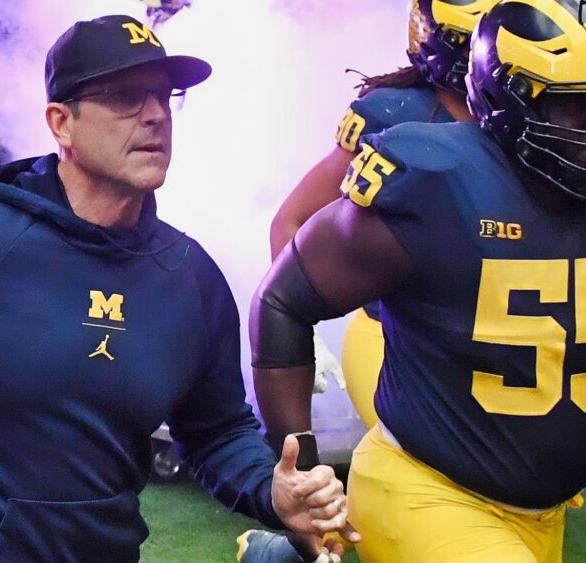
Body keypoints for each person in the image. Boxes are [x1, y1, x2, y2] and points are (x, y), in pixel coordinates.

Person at [0, 15, 358, 562]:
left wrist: (272, 492)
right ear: (61, 123)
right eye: (126, 97)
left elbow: (217, 429)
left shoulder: (190, 278)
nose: (155, 115)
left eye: (163, 97)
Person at [251, 1, 586, 560]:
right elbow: (285, 289)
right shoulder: (431, 172)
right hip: (431, 476)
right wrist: (302, 468)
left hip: (537, 496)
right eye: (574, 109)